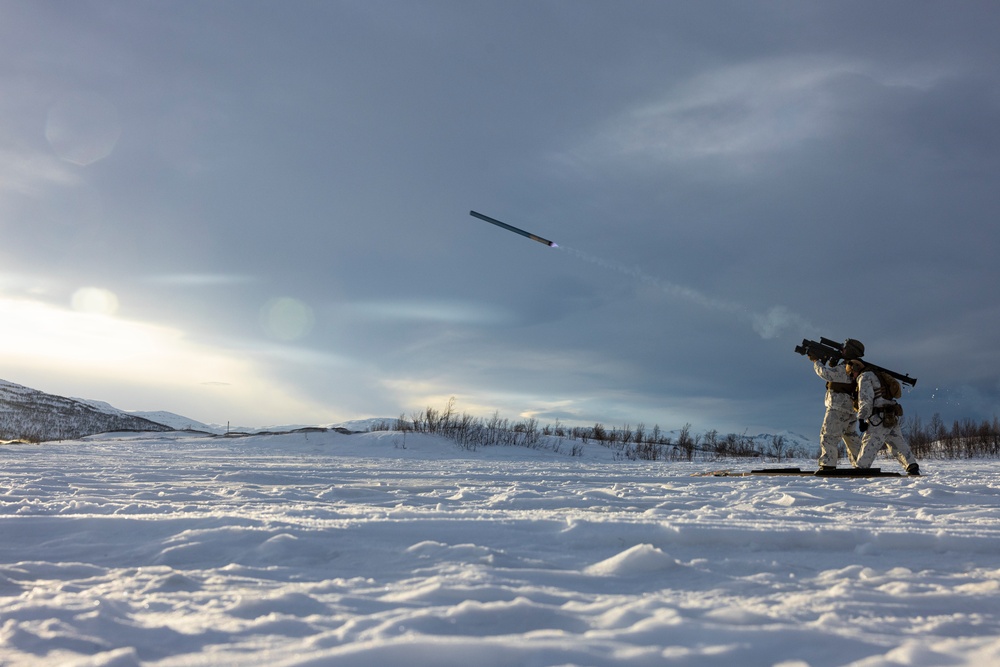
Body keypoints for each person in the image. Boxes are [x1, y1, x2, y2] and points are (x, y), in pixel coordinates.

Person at [845, 359, 920, 475]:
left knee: (869, 442)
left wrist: (861, 418)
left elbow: (866, 400)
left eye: (851, 373)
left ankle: (861, 468)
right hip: (890, 414)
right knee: (896, 442)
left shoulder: (864, 377)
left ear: (856, 369)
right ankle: (912, 466)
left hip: (878, 417)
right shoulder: (878, 375)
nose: (852, 377)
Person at [810, 338, 864, 470]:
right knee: (851, 437)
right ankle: (861, 464)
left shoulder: (848, 367)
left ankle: (828, 465)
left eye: (845, 348)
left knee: (828, 435)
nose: (842, 350)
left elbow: (826, 374)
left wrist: (816, 361)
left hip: (838, 407)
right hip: (849, 408)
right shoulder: (856, 366)